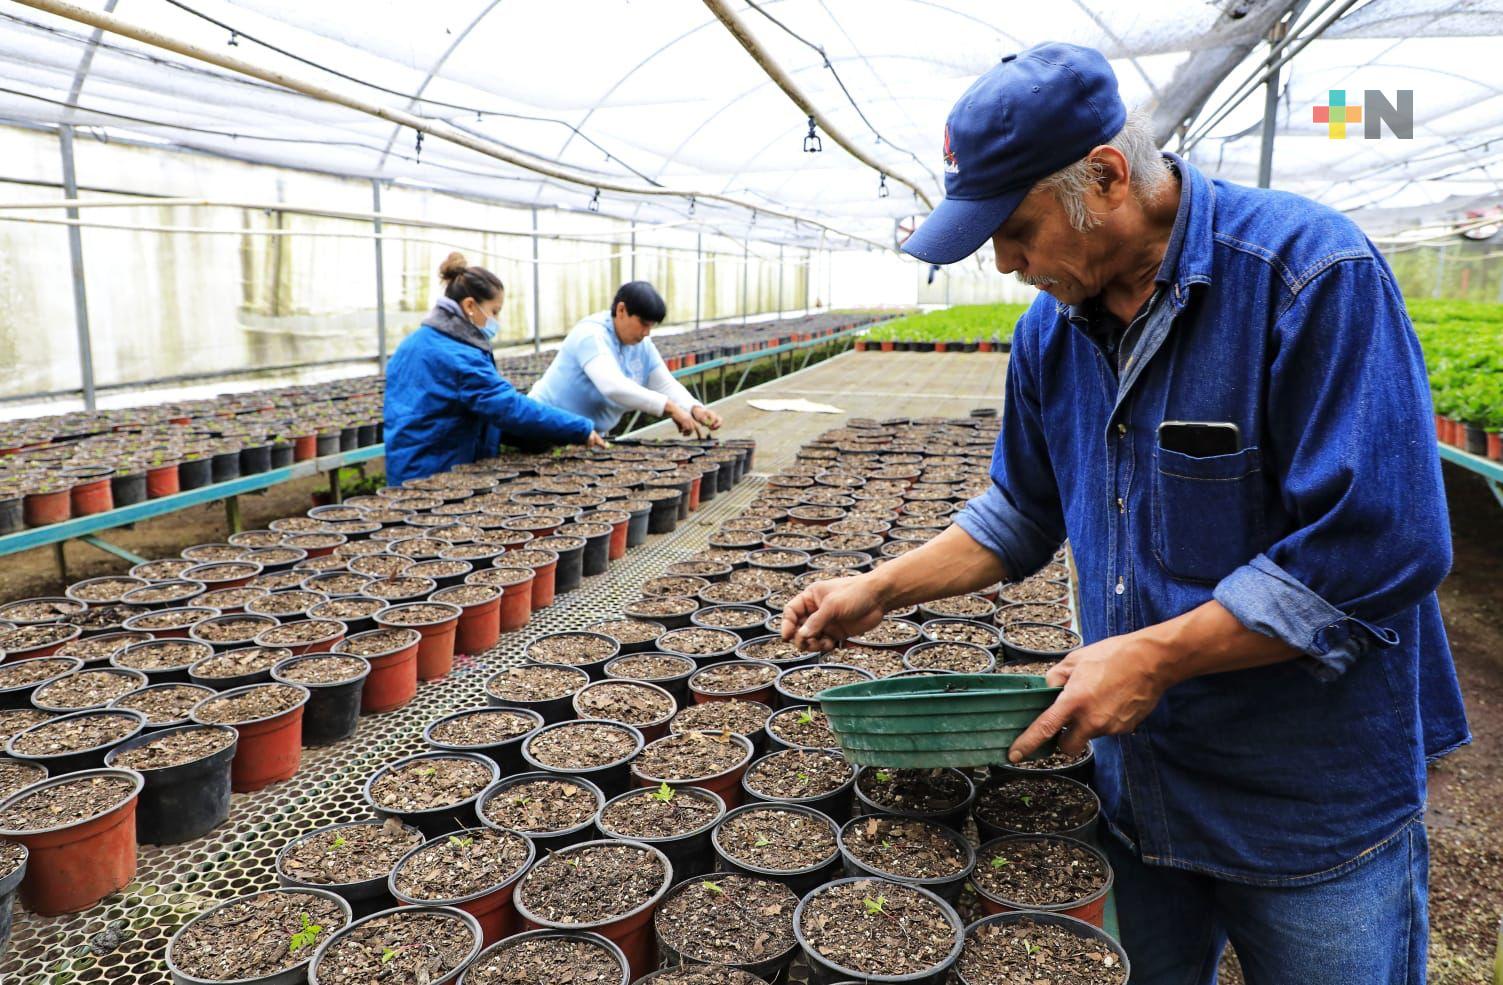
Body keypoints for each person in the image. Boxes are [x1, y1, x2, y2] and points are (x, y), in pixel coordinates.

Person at [781, 42, 1468, 985]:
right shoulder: (1048, 334)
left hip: (1308, 798)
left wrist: (1153, 653)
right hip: (1139, 786)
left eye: (1016, 230)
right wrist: (876, 589)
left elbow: (1380, 543)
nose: (1006, 262)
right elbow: (1020, 510)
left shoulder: (1306, 275)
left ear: (1105, 178)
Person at [383, 253, 607, 485]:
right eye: (494, 311)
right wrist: (579, 429)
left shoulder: (414, 343)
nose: (496, 320)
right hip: (437, 474)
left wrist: (538, 438)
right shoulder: (458, 356)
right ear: (470, 305)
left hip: (408, 467)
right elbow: (507, 408)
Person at [529, 281, 724, 437]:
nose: (647, 333)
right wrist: (669, 408)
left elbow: (664, 384)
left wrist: (694, 408)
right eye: (643, 324)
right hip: (544, 429)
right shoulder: (591, 334)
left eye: (651, 326)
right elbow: (612, 385)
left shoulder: (641, 344)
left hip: (586, 436)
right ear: (621, 310)